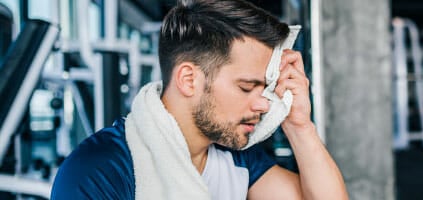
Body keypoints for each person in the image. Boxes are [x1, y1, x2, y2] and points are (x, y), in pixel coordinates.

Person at [50, 0, 348, 199]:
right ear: (189, 79)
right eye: (247, 87)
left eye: (266, 89)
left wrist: (299, 125)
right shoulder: (99, 171)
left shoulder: (236, 154)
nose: (264, 104)